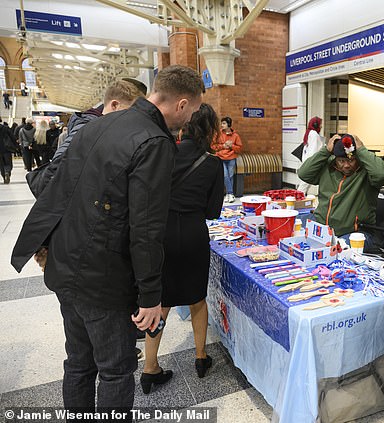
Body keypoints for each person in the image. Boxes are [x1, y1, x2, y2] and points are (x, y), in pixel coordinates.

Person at [11, 65, 204, 417]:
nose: (189, 119)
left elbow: (58, 189)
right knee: (115, 371)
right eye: (190, 112)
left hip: (65, 264)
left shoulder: (96, 124)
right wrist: (150, 295)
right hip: (103, 280)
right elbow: (146, 228)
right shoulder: (154, 141)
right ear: (181, 103)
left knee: (79, 363)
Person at [141, 103, 224, 393]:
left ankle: (150, 367)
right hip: (192, 235)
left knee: (160, 303)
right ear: (210, 130)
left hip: (160, 235)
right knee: (197, 299)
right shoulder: (212, 163)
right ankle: (201, 358)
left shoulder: (164, 153)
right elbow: (214, 211)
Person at [26, 80, 146, 198]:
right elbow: (55, 172)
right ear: (114, 105)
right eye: (129, 112)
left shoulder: (101, 127)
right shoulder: (87, 128)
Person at [297, 134, 384, 248]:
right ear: (335, 158)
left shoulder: (366, 173)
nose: (346, 165)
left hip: (355, 233)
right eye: (341, 161)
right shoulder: (328, 167)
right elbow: (303, 173)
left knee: (337, 247)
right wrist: (325, 151)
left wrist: (361, 150)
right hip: (322, 225)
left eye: (351, 160)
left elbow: (383, 174)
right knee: (292, 223)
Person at [212, 116, 242, 203]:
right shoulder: (218, 134)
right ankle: (230, 193)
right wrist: (223, 146)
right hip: (221, 157)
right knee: (225, 175)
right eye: (222, 123)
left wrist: (231, 145)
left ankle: (228, 195)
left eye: (224, 123)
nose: (222, 125)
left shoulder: (235, 136)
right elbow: (213, 146)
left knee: (230, 176)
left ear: (229, 124)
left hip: (232, 158)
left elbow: (239, 148)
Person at [297, 116, 323, 194]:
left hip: (308, 161)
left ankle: (298, 197)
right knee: (305, 183)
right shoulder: (314, 134)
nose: (321, 126)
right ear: (316, 124)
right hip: (312, 161)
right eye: (320, 124)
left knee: (305, 183)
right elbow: (314, 149)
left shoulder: (309, 133)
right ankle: (297, 198)